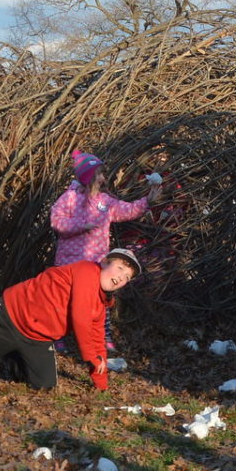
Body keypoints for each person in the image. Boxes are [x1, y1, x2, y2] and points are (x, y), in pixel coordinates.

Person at [0, 249, 142, 391]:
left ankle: (11, 355)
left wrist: (101, 383)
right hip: (10, 317)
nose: (121, 277)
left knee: (45, 385)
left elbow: (97, 337)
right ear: (105, 262)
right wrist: (89, 355)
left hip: (38, 338)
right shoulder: (87, 270)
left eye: (126, 277)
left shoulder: (102, 303)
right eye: (119, 268)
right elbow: (80, 317)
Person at [50, 150, 159, 351]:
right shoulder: (69, 199)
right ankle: (57, 336)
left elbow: (126, 210)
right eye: (99, 174)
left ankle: (103, 336)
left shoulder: (105, 202)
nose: (102, 178)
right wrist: (82, 225)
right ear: (88, 176)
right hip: (69, 264)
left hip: (96, 264)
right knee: (65, 300)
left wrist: (148, 201)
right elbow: (57, 222)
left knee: (100, 301)